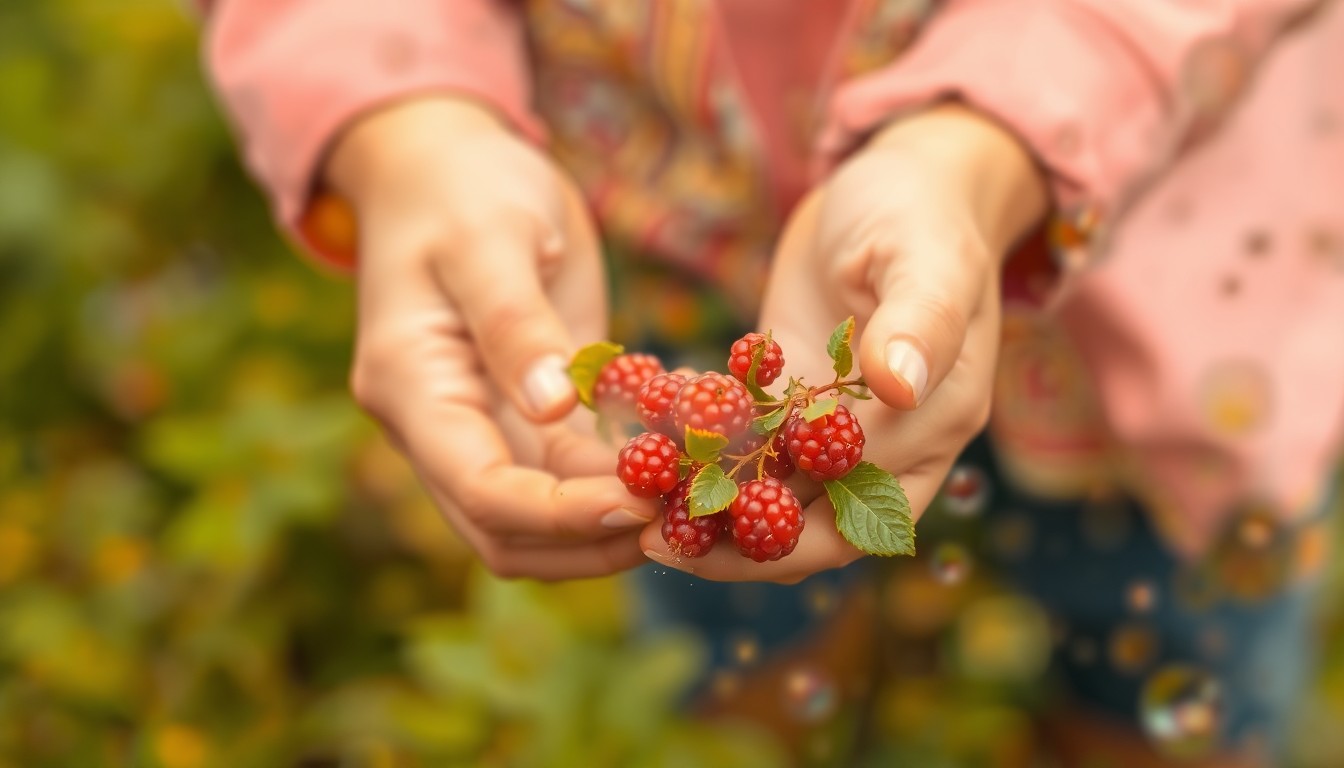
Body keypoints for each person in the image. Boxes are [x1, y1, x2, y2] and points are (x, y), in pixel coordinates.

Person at [201, 0, 1344, 763]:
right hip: (681, 238)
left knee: (1168, 644)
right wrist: (411, 132)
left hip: (1175, 280)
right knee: (740, 617)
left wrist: (978, 147)